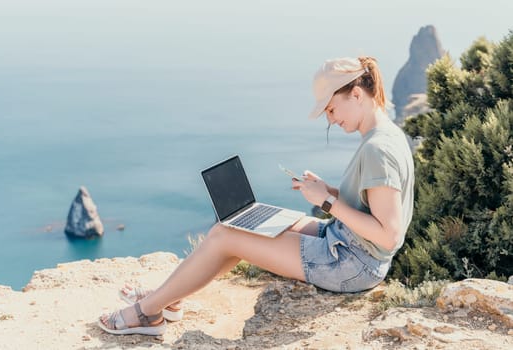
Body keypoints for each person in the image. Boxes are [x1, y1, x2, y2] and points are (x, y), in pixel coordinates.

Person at [98, 56, 415, 335]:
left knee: (225, 235)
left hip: (350, 263)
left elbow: (388, 236)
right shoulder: (385, 136)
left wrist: (328, 202)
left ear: (356, 94)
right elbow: (372, 206)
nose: (331, 118)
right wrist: (330, 190)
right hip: (347, 245)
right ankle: (169, 297)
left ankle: (147, 312)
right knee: (246, 225)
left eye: (331, 109)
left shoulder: (377, 149)